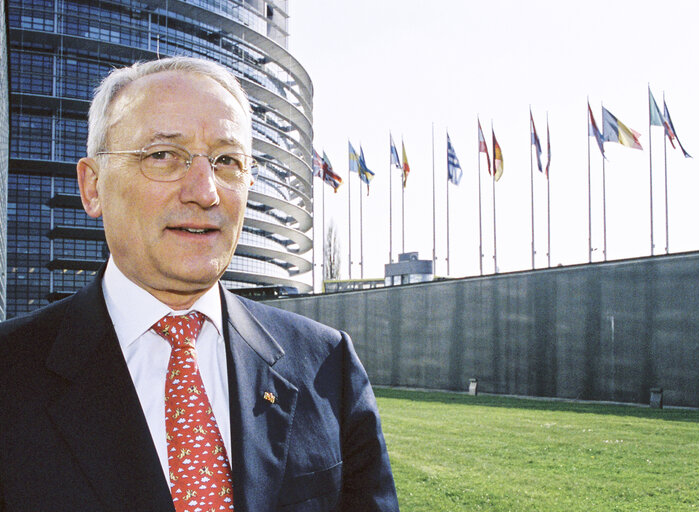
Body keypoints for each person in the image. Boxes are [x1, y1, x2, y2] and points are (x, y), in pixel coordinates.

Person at [0, 57, 399, 512]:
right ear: (92, 187)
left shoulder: (327, 366)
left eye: (227, 160)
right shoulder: (11, 374)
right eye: (164, 155)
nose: (204, 190)